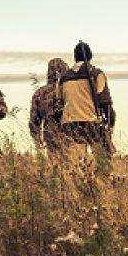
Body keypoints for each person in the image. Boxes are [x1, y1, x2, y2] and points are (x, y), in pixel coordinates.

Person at [56, 41, 116, 170]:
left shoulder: (63, 78)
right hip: (92, 122)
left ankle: (78, 187)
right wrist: (110, 124)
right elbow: (105, 102)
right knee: (103, 162)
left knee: (77, 166)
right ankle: (102, 185)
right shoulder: (97, 74)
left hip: (70, 125)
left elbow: (58, 104)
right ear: (90, 56)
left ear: (74, 57)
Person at [29, 58, 69, 153]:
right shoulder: (69, 90)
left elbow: (34, 121)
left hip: (50, 138)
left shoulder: (40, 93)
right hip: (70, 136)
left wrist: (37, 139)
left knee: (54, 165)